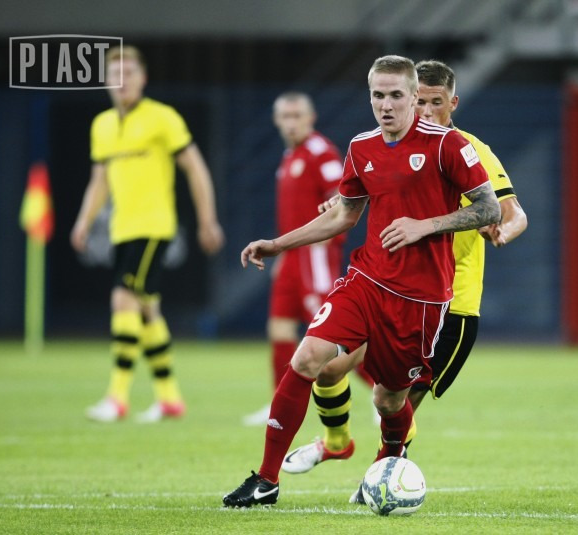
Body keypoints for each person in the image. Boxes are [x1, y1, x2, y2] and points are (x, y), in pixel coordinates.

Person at [223, 55, 500, 508]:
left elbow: (490, 209)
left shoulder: (448, 145)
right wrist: (278, 243)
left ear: (414, 96)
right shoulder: (362, 147)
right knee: (307, 358)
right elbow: (344, 215)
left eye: (396, 95)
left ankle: (388, 463)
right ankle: (266, 480)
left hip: (421, 298)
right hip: (366, 280)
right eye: (378, 95)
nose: (386, 105)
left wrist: (426, 225)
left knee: (388, 401)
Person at [70, 45, 225, 423]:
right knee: (146, 309)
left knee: (122, 298)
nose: (122, 81)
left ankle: (117, 397)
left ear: (143, 79)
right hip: (121, 229)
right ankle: (169, 398)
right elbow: (99, 180)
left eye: (129, 73)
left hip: (154, 227)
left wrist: (207, 220)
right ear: (106, 81)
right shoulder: (103, 125)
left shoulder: (162, 118)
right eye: (115, 74)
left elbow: (195, 168)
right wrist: (83, 220)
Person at [242, 92, 373, 427]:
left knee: (334, 334)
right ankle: (278, 403)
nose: (291, 122)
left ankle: (380, 392)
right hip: (291, 257)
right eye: (285, 116)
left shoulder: (320, 151)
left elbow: (341, 195)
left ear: (310, 118)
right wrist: (283, 257)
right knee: (279, 327)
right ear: (276, 120)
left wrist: (327, 227)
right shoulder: (291, 156)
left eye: (297, 115)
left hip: (315, 254)